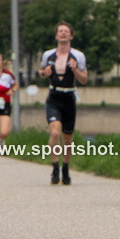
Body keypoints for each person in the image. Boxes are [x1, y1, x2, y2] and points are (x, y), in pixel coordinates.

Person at [39, 21, 87, 185]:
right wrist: (44, 73)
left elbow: (84, 79)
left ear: (71, 35)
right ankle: (54, 167)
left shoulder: (78, 56)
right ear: (56, 35)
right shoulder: (48, 55)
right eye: (60, 31)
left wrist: (75, 70)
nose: (63, 33)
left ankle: (65, 167)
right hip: (54, 97)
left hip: (69, 99)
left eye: (66, 31)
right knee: (54, 133)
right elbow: (41, 71)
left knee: (67, 139)